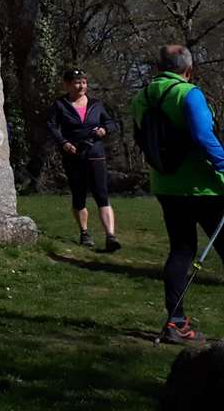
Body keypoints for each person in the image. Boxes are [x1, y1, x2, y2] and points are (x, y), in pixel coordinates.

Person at [131, 45, 224, 345]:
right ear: (188, 69)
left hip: (166, 185)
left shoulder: (142, 97)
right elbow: (202, 136)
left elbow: (140, 138)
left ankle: (176, 322)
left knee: (181, 251)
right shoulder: (188, 93)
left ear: (158, 68)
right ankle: (177, 324)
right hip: (203, 186)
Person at [46, 67, 120, 250]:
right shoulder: (60, 105)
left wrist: (104, 130)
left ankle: (111, 236)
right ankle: (85, 233)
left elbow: (111, 122)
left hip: (95, 154)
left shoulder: (96, 104)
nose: (81, 86)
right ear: (67, 85)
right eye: (77, 83)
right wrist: (64, 143)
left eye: (84, 82)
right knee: (79, 196)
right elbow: (51, 127)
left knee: (102, 195)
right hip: (74, 156)